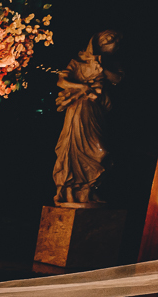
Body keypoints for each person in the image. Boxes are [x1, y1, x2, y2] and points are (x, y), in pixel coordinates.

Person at [52, 30, 124, 207]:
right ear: (96, 42)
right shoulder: (77, 63)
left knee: (100, 151)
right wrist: (82, 87)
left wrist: (101, 68)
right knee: (76, 148)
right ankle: (70, 190)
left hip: (96, 110)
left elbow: (118, 79)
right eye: (109, 40)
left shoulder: (110, 65)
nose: (114, 44)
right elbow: (61, 81)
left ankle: (87, 191)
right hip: (78, 109)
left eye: (116, 41)